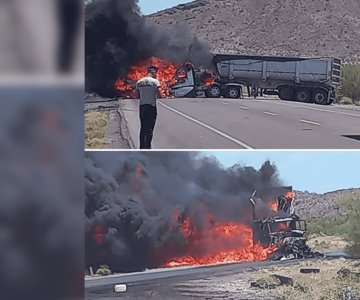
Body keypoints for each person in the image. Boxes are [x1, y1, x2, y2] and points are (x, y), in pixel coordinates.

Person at [136, 66, 161, 149]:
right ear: (153, 73)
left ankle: (142, 146)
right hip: (151, 107)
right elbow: (159, 94)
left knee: (143, 127)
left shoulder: (139, 82)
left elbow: (137, 95)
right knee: (150, 128)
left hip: (142, 107)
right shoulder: (155, 81)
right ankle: (148, 147)